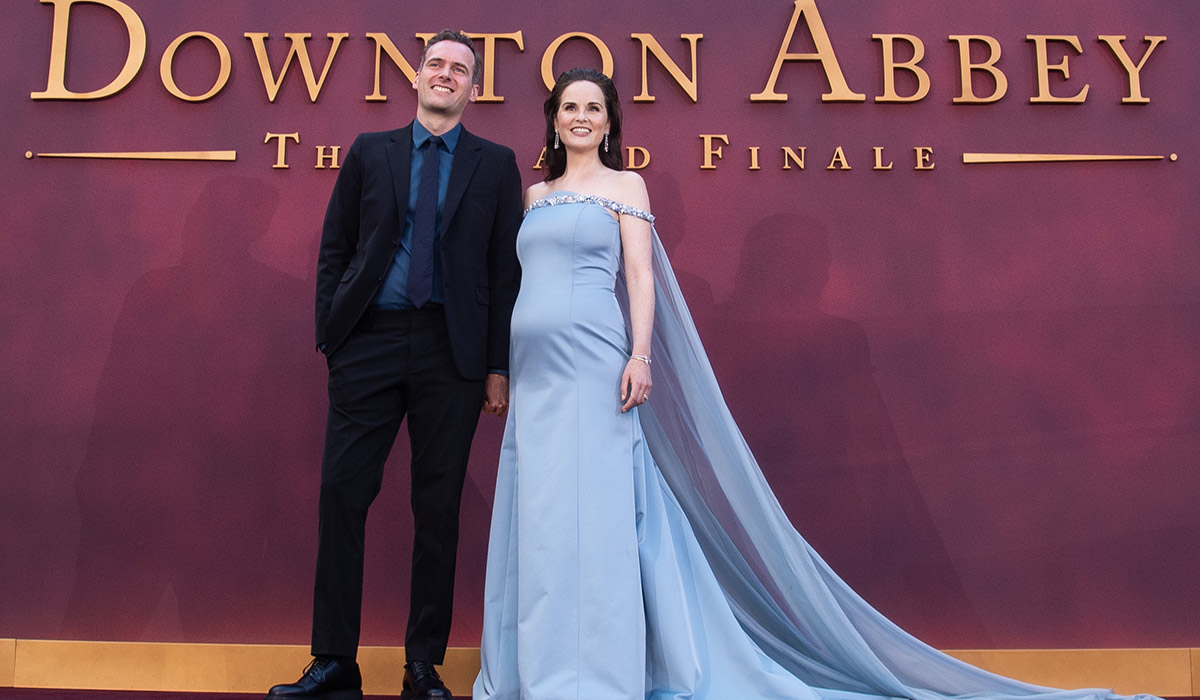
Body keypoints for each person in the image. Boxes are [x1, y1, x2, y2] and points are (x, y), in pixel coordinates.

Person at [473, 68, 1160, 700]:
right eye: (570, 107)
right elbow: (518, 284)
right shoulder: (535, 196)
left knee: (596, 518)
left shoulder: (626, 187)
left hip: (597, 365)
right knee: (542, 519)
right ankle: (537, 663)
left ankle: (594, 675)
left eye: (594, 107)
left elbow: (640, 277)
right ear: (554, 119)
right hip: (536, 374)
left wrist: (641, 354)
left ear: (609, 121)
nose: (581, 116)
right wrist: (503, 365)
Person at [267, 30, 522, 700]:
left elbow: (504, 271)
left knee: (437, 508)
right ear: (416, 77)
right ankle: (333, 662)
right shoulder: (368, 151)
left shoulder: (496, 165)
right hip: (369, 342)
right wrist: (333, 337)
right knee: (341, 493)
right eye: (435, 63)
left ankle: (422, 667)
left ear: (473, 88)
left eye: (459, 69)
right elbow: (336, 247)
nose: (445, 74)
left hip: (453, 351)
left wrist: (498, 366)